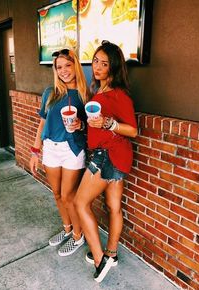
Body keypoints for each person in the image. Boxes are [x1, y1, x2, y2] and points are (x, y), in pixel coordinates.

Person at [75, 40, 138, 282]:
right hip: (115, 155)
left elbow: (133, 130)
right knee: (114, 207)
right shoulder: (98, 93)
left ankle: (101, 262)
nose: (98, 67)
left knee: (81, 203)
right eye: (96, 61)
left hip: (109, 155)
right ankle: (111, 254)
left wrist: (108, 123)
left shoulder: (118, 94)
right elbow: (96, 126)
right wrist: (84, 125)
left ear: (113, 67)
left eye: (105, 63)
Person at [30, 48, 88, 256]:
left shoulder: (84, 94)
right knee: (56, 194)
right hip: (51, 149)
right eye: (59, 67)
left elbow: (91, 127)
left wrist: (80, 125)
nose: (64, 71)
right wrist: (35, 151)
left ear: (75, 66)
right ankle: (67, 229)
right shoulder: (50, 92)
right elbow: (42, 122)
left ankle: (78, 237)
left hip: (72, 149)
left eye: (67, 65)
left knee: (68, 195)